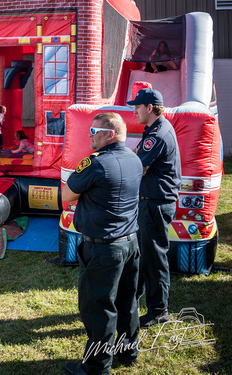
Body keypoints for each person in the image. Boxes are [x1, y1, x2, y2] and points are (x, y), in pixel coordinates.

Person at [62, 113, 143, 374]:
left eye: (94, 131)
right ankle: (128, 351)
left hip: (104, 247)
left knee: (98, 307)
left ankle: (97, 366)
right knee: (127, 301)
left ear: (110, 134)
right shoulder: (134, 158)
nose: (90, 136)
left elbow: (66, 194)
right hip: (130, 242)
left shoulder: (95, 164)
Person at [127, 88, 181, 328]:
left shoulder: (157, 135)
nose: (134, 110)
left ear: (150, 107)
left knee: (154, 258)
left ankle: (159, 311)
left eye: (137, 106)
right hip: (151, 202)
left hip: (155, 204)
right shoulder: (155, 130)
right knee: (143, 255)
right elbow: (138, 155)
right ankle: (132, 303)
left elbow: (138, 167)